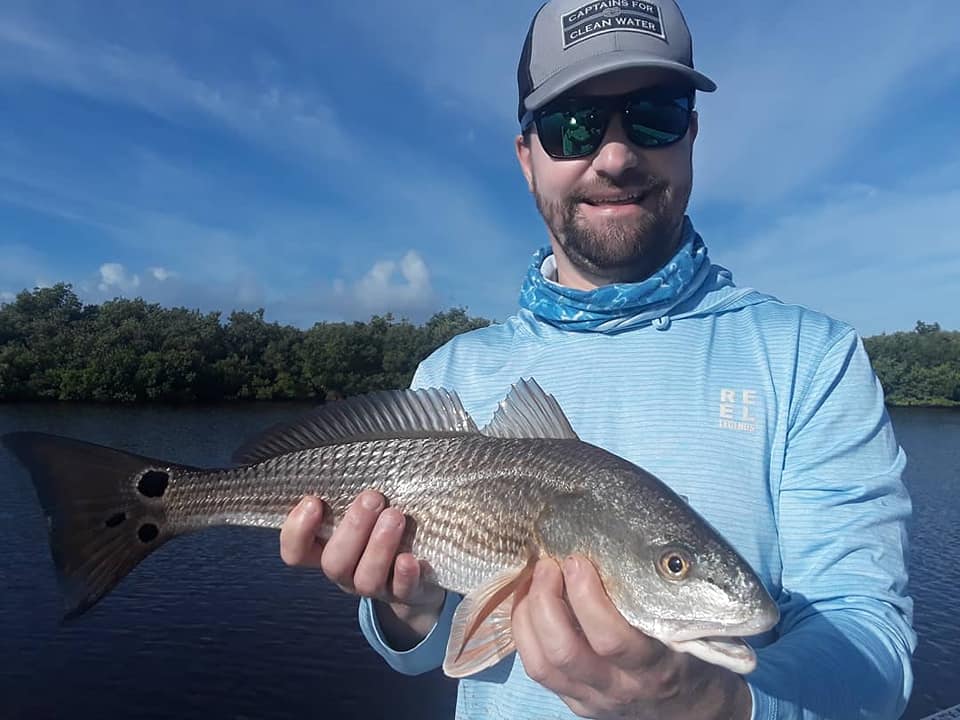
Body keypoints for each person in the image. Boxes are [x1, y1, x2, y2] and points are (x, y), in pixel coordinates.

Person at [279, 0, 917, 717]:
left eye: (654, 115)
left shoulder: (811, 359)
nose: (615, 156)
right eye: (572, 126)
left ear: (692, 135)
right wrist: (407, 609)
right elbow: (431, 646)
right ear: (527, 159)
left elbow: (871, 643)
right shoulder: (452, 373)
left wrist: (718, 707)